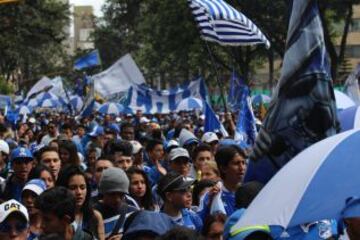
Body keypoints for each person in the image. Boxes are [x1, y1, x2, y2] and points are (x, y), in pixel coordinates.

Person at [198, 146, 247, 220]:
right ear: (223, 168)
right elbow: (199, 224)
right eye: (236, 163)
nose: (242, 168)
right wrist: (209, 204)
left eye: (243, 163)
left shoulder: (250, 191)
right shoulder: (211, 195)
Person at [56, 166, 105, 240]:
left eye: (82, 187)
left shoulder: (95, 216)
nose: (79, 192)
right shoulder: (56, 218)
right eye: (73, 188)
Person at [94, 167, 137, 239]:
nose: (117, 199)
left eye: (121, 194)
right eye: (112, 194)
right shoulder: (92, 215)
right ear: (103, 192)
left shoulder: (133, 214)